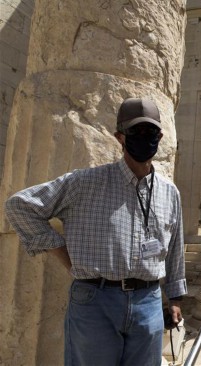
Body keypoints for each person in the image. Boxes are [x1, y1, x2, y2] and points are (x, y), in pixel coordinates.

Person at [4, 98, 187, 366]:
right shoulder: (84, 183)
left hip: (148, 301)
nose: (145, 139)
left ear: (160, 136)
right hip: (95, 300)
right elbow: (19, 206)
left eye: (152, 133)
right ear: (120, 137)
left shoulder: (169, 193)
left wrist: (175, 300)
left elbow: (174, 249)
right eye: (137, 132)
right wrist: (65, 257)